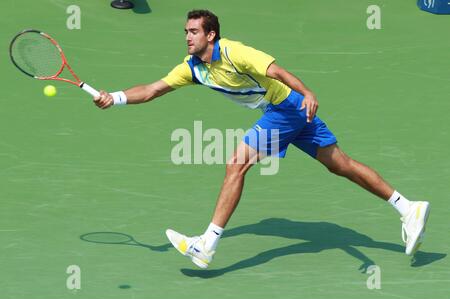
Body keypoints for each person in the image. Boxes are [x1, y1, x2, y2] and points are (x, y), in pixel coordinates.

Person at [93, 9, 430, 269]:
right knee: (340, 165)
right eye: (186, 31)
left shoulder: (235, 52)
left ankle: (206, 245)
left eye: (194, 31)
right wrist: (117, 97)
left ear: (211, 34)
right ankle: (407, 207)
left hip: (285, 107)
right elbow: (153, 90)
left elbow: (277, 71)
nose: (187, 37)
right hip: (293, 110)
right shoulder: (192, 67)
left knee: (236, 164)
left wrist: (308, 91)